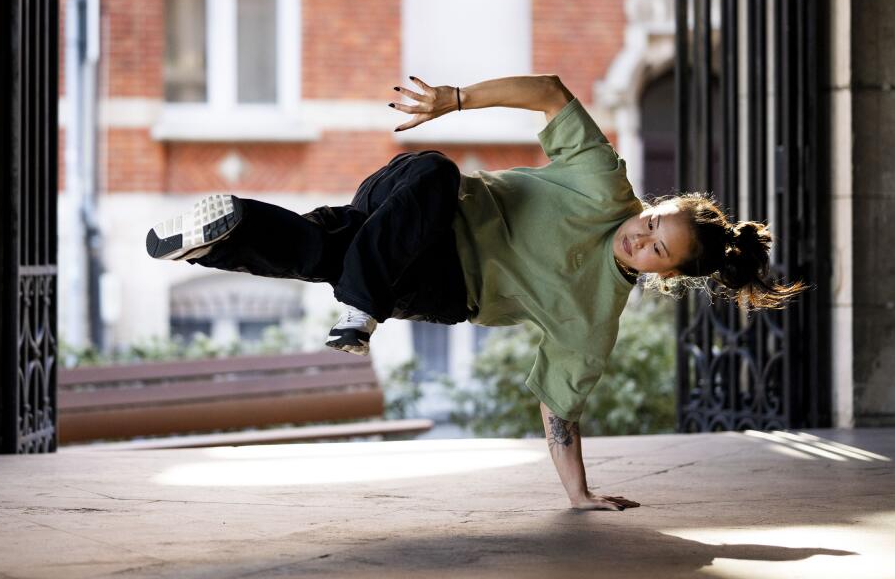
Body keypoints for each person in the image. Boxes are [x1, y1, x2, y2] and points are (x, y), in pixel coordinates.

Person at [144, 74, 805, 511]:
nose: (643, 235)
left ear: (664, 273)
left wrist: (579, 495)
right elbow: (550, 92)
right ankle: (353, 303)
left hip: (444, 282)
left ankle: (224, 234)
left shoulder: (594, 317)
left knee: (330, 245)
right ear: (656, 205)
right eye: (655, 221)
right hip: (418, 203)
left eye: (658, 247)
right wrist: (453, 100)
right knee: (432, 169)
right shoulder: (605, 183)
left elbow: (558, 408)